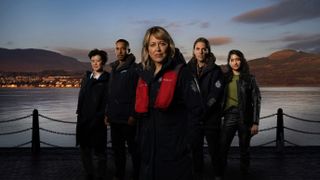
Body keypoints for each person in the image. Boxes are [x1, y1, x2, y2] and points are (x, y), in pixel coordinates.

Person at [135, 26, 204, 180]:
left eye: (162, 43)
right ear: (147, 48)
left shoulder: (182, 73)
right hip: (148, 149)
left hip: (174, 150)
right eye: (152, 45)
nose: (157, 49)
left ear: (169, 45)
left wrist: (187, 144)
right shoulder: (143, 74)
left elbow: (197, 111)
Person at [218, 49, 261, 179]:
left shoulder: (250, 79)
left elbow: (257, 100)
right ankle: (219, 174)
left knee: (244, 149)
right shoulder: (224, 78)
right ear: (229, 62)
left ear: (241, 61)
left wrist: (255, 122)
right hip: (229, 115)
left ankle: (244, 174)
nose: (235, 62)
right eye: (232, 60)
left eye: (237, 59)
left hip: (245, 117)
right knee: (223, 147)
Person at [187, 37, 224, 180]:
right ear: (193, 51)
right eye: (198, 48)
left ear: (208, 51)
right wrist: (193, 109)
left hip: (211, 118)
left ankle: (218, 175)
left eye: (204, 49)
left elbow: (216, 94)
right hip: (193, 118)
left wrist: (203, 109)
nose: (201, 52)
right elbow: (185, 92)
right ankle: (198, 174)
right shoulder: (187, 70)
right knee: (195, 150)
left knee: (214, 150)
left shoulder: (216, 70)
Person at [104, 39, 140, 180]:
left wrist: (134, 114)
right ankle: (119, 175)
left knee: (134, 150)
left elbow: (138, 94)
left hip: (128, 119)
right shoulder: (113, 69)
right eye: (117, 48)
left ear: (128, 50)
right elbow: (110, 94)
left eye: (122, 48)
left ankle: (137, 174)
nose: (119, 51)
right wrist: (107, 113)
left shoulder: (135, 69)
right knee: (117, 151)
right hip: (115, 118)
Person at [76, 49, 109, 180]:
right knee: (84, 149)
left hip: (98, 120)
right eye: (93, 61)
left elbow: (109, 100)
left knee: (100, 152)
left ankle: (101, 175)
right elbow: (81, 97)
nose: (95, 63)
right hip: (83, 120)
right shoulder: (86, 78)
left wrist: (104, 115)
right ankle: (89, 173)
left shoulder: (108, 80)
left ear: (103, 62)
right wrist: (79, 112)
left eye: (98, 61)